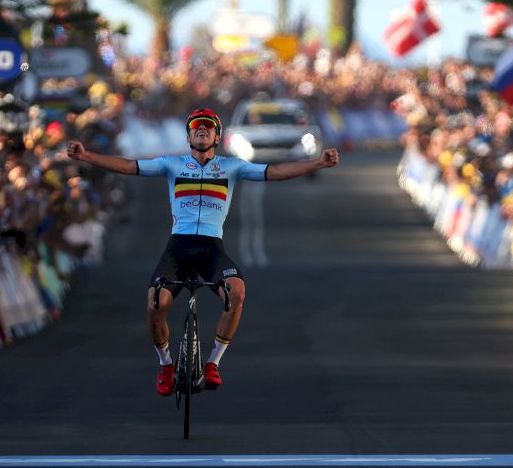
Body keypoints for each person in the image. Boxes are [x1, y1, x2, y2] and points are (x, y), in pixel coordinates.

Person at [66, 107, 339, 396]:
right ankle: (166, 365)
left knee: (237, 293)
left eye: (208, 127)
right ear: (188, 136)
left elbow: (278, 172)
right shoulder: (171, 164)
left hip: (211, 250)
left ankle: (213, 363)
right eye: (196, 126)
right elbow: (127, 166)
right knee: (154, 304)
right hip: (178, 248)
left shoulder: (233, 167)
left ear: (217, 136)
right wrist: (86, 156)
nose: (202, 130)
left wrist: (317, 163)